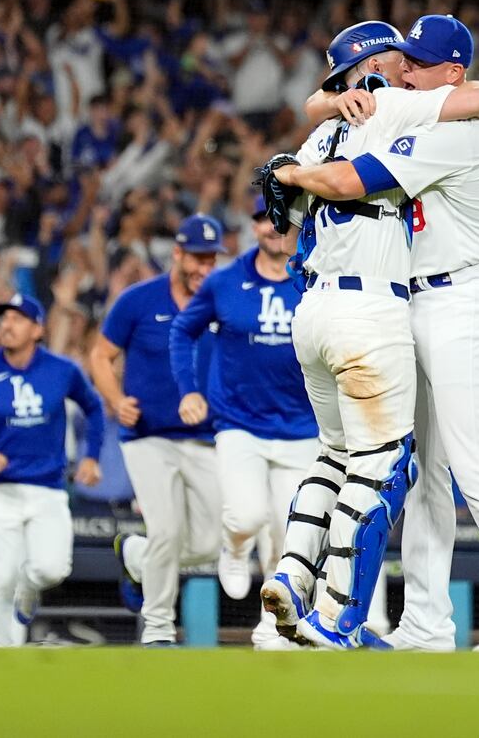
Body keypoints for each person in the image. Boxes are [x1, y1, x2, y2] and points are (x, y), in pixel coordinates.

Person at [271, 14, 479, 652]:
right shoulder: (417, 109)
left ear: (451, 74)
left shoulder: (458, 127)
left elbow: (355, 178)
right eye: (401, 58)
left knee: (474, 463)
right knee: (427, 473)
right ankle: (426, 623)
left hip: (467, 296)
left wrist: (292, 175)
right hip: (424, 300)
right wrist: (333, 97)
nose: (401, 69)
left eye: (416, 61)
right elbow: (321, 102)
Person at [171, 213, 318, 650]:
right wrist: (188, 390)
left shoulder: (314, 277)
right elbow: (183, 330)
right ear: (253, 228)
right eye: (263, 219)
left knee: (286, 533)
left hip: (301, 426)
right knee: (248, 515)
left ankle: (271, 626)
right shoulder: (223, 282)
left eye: (282, 219)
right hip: (239, 423)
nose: (273, 227)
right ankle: (234, 549)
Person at [91, 215, 224, 648]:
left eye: (211, 258)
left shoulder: (219, 302)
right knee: (165, 529)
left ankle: (135, 555)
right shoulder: (138, 300)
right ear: (178, 253)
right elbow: (100, 356)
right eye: (198, 257)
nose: (205, 267)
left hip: (204, 437)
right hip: (147, 436)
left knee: (211, 541)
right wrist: (115, 400)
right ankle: (159, 628)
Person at [0, 294, 104, 647]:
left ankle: (29, 588)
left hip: (47, 489)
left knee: (52, 569)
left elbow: (94, 408)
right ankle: (5, 654)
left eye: (18, 319)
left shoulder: (62, 370)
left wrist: (91, 456)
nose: (7, 325)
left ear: (37, 329)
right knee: (0, 580)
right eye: (4, 319)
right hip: (1, 492)